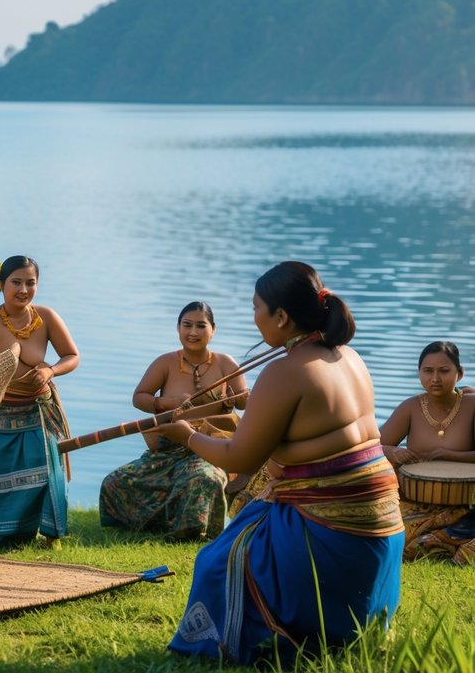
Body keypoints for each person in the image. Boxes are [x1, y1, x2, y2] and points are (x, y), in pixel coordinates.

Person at [157, 262, 403, 664]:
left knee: (217, 560)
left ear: (282, 317)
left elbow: (241, 457)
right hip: (381, 536)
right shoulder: (349, 356)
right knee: (252, 517)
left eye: (257, 308)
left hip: (335, 537)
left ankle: (256, 638)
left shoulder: (284, 372)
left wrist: (186, 435)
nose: (254, 318)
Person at [99, 302, 247, 541]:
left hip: (207, 449)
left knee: (202, 479)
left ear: (213, 330)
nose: (193, 332)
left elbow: (243, 402)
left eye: (201, 325)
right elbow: (139, 397)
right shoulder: (165, 362)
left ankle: (191, 533)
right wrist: (167, 403)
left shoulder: (226, 364)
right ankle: (152, 525)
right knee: (116, 481)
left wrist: (239, 396)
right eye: (187, 325)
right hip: (167, 450)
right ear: (178, 328)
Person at [0, 256, 79, 547]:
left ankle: (50, 536)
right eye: (16, 282)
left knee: (46, 469)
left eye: (30, 283)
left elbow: (72, 356)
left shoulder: (46, 317)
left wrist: (49, 370)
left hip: (41, 409)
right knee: (0, 473)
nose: (23, 289)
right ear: (2, 285)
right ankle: (6, 536)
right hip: (2, 412)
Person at [379, 341, 475, 562]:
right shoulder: (411, 407)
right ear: (419, 373)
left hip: (466, 502)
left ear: (459, 374)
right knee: (394, 539)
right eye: (428, 371)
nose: (435, 379)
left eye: (444, 371)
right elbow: (372, 446)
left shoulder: (471, 405)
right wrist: (392, 452)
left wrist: (448, 455)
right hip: (418, 502)